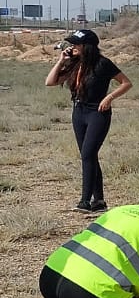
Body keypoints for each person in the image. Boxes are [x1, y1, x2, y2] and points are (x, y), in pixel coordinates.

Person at [45, 28, 131, 213]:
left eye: (76, 44)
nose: (72, 47)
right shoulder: (75, 65)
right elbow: (50, 82)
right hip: (79, 112)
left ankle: (85, 201)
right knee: (89, 156)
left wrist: (109, 98)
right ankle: (99, 201)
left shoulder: (103, 64)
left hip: (97, 113)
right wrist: (61, 61)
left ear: (88, 46)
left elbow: (126, 83)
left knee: (87, 155)